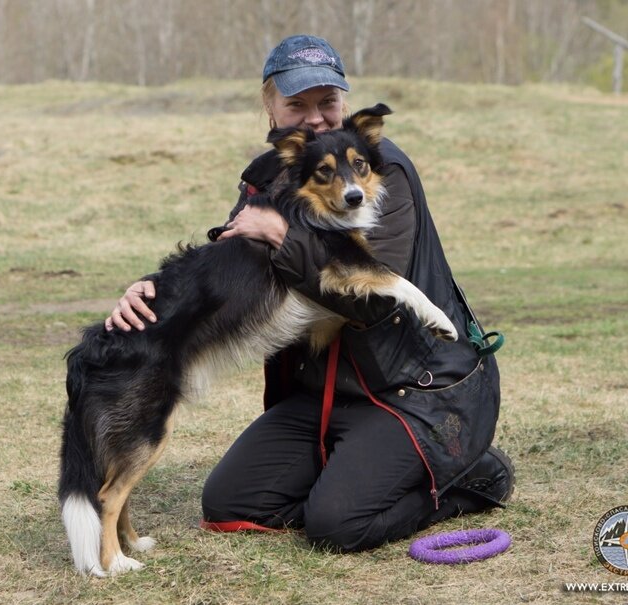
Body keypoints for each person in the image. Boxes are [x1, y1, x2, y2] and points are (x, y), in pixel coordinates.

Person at [105, 35, 514, 552]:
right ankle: (354, 476)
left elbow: (369, 298)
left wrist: (280, 236)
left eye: (327, 102)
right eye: (297, 104)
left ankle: (469, 477)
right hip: (323, 393)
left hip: (414, 393)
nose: (316, 117)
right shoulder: (265, 178)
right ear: (270, 106)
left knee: (336, 526)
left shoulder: (376, 177)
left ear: (345, 101)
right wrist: (153, 294)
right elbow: (229, 273)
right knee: (231, 505)